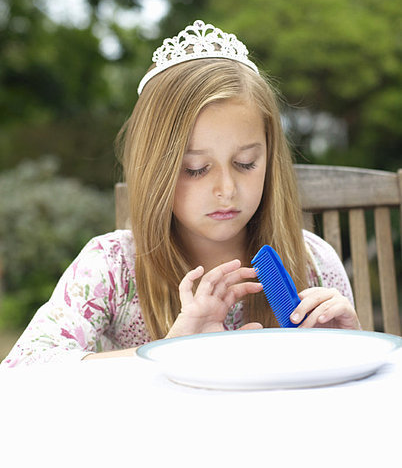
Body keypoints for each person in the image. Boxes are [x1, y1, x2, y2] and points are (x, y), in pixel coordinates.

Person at [2, 19, 360, 367]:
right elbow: (23, 370)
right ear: (154, 170)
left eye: (246, 163)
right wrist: (168, 352)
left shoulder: (312, 262)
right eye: (196, 169)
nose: (226, 189)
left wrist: (350, 350)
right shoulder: (112, 267)